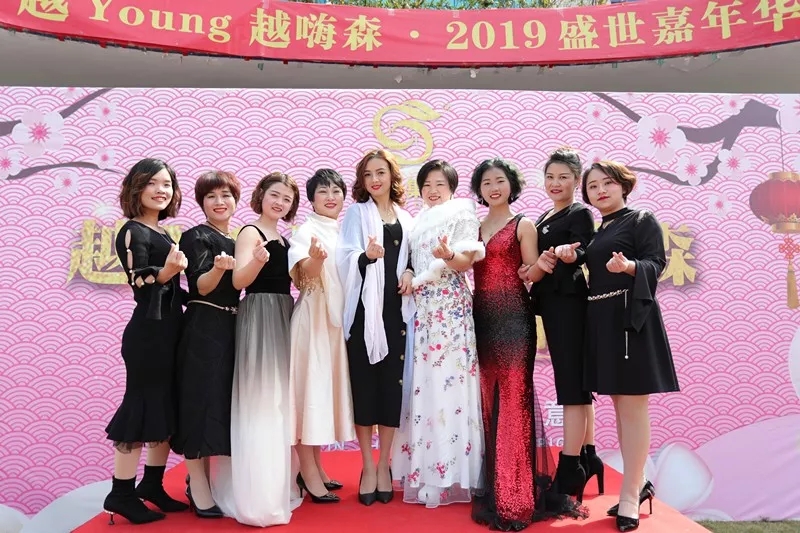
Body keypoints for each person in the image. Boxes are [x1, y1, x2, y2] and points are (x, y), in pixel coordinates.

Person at [469, 158, 586, 531]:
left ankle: (516, 496)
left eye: (500, 181)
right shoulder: (472, 227)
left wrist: (541, 266)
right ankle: (496, 485)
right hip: (481, 319)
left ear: (511, 185)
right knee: (489, 400)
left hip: (515, 320)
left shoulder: (524, 225)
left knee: (515, 399)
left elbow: (532, 271)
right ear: (479, 190)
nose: (494, 188)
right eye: (487, 183)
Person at [581, 161, 679, 532]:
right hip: (603, 322)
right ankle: (639, 484)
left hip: (631, 322)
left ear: (623, 186)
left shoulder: (640, 220)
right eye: (593, 186)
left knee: (634, 407)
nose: (600, 191)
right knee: (621, 406)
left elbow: (657, 263)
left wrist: (630, 267)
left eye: (607, 183)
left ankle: (628, 494)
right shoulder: (597, 230)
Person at [391, 159, 485, 507]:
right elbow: (412, 261)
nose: (432, 190)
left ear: (452, 188)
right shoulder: (417, 221)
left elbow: (466, 261)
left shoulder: (462, 213)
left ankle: (451, 474)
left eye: (439, 184)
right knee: (425, 385)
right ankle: (426, 470)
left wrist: (448, 256)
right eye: (427, 184)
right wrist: (408, 273)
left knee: (450, 384)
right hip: (423, 310)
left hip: (450, 309)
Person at [212, 172, 303, 526]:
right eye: (274, 195)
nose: (280, 202)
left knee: (278, 401)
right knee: (260, 401)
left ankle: (277, 485)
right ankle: (257, 495)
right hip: (260, 312)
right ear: (261, 195)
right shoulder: (250, 232)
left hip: (282, 313)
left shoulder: (285, 237)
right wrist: (258, 261)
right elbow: (238, 280)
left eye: (287, 199)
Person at [103, 158, 189, 525]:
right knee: (140, 408)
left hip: (170, 333)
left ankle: (151, 485)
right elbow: (138, 281)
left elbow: (173, 291)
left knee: (164, 407)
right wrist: (166, 272)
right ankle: (121, 493)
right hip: (147, 337)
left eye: (166, 184)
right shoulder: (132, 231)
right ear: (137, 188)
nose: (160, 190)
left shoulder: (164, 233)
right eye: (153, 182)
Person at [523, 148, 604, 500]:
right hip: (553, 305)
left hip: (569, 305)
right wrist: (530, 270)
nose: (555, 183)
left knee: (572, 386)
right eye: (550, 177)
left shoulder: (579, 212)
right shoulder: (545, 216)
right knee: (577, 383)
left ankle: (571, 468)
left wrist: (572, 254)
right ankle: (588, 455)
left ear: (577, 181)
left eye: (564, 177)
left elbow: (583, 248)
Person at [336, 149, 415, 506]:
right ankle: (367, 465)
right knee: (365, 389)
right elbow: (343, 257)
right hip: (365, 313)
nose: (374, 180)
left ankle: (385, 465)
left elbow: (412, 258)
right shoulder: (357, 213)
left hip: (396, 312)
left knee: (391, 391)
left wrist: (409, 271)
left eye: (380, 172)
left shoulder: (406, 217)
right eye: (368, 174)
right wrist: (365, 257)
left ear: (392, 175)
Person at [171, 171, 242, 519]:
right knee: (198, 403)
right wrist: (218, 269)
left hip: (234, 326)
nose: (219, 202)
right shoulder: (195, 236)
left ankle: (207, 479)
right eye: (211, 196)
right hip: (204, 327)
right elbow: (200, 285)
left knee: (221, 405)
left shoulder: (240, 238)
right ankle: (198, 484)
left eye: (226, 195)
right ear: (201, 202)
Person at [288, 169, 355, 504]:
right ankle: (308, 472)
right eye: (322, 191)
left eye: (336, 190)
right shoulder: (306, 231)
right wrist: (314, 260)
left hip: (335, 324)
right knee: (308, 395)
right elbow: (304, 273)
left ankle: (316, 466)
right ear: (312, 199)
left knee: (321, 394)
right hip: (313, 320)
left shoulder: (345, 230)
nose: (330, 197)